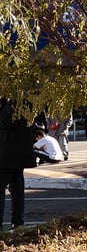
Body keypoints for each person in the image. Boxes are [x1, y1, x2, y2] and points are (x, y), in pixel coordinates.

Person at [0, 98, 37, 228]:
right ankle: (18, 222)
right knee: (17, 189)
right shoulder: (24, 98)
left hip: (8, 153)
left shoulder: (14, 100)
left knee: (11, 188)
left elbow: (7, 120)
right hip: (16, 154)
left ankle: (16, 222)